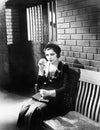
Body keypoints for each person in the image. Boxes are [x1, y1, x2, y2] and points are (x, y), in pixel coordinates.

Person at [17, 42, 73, 130]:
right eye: (47, 55)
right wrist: (40, 70)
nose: (49, 57)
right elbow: (39, 86)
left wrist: (49, 93)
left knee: (34, 111)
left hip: (57, 100)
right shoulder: (46, 65)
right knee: (24, 107)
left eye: (52, 54)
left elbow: (66, 88)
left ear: (58, 54)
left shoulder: (63, 67)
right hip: (44, 97)